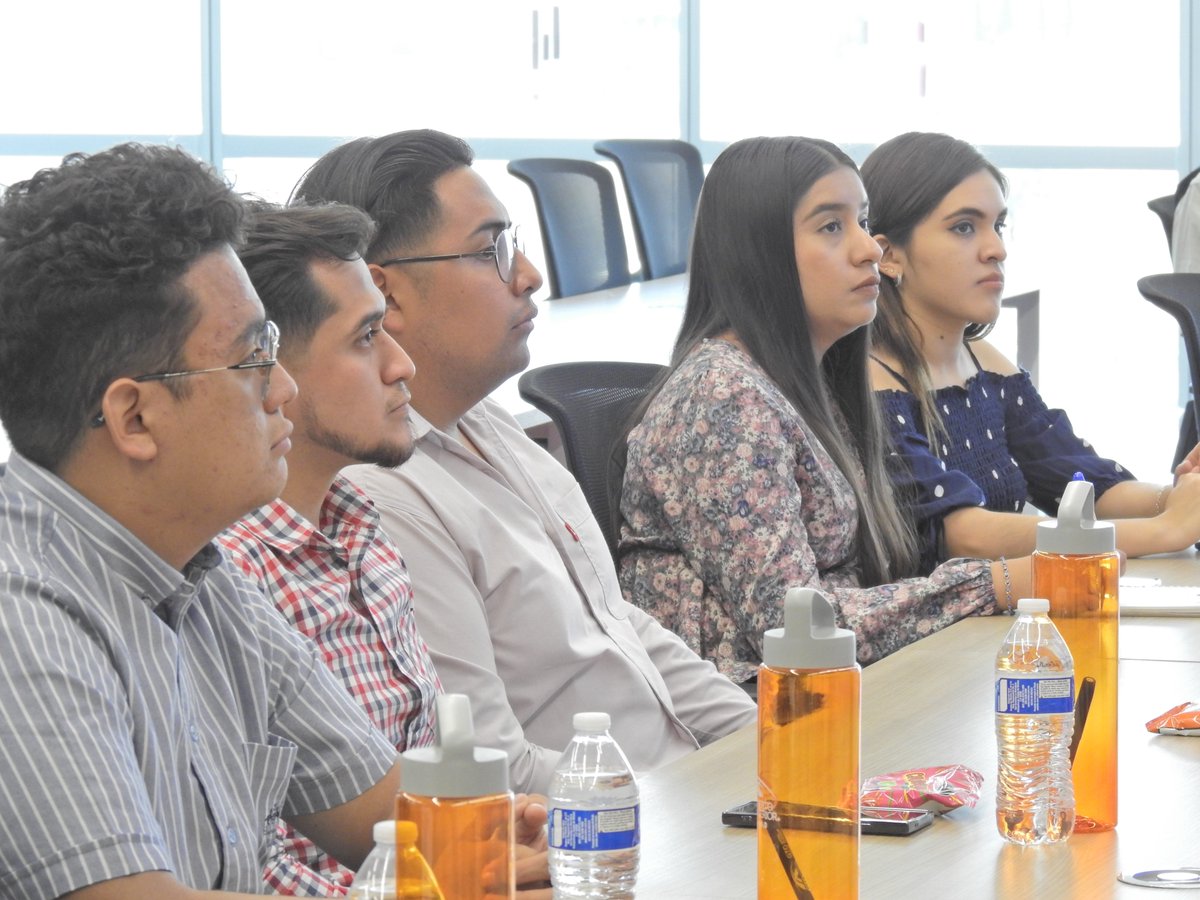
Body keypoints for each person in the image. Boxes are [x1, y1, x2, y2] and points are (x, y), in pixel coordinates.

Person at [291, 129, 757, 795]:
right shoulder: (378, 493)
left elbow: (617, 623)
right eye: (492, 250)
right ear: (386, 295)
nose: (528, 276)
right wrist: (687, 800)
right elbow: (494, 769)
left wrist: (764, 744)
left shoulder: (490, 425)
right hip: (614, 835)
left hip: (681, 799)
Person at [0, 144, 402, 898]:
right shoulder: (20, 616)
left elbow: (400, 823)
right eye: (254, 357)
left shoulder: (200, 578)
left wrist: (536, 847)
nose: (284, 390)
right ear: (136, 417)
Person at [219, 201, 549, 896]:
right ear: (274, 371)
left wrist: (490, 840)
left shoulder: (361, 524)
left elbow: (416, 799)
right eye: (367, 338)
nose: (402, 366)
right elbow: (260, 869)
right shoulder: (231, 575)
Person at [617, 136, 1023, 684]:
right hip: (741, 733)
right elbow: (797, 624)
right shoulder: (723, 397)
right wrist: (997, 583)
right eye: (832, 227)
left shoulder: (803, 385)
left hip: (825, 699)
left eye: (862, 221)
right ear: (758, 251)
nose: (869, 249)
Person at [861, 131, 1200, 572]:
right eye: (964, 227)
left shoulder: (985, 361)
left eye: (997, 225)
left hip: (992, 624)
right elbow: (963, 534)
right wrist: (1165, 529)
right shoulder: (868, 378)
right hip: (930, 638)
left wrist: (1179, 495)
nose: (996, 249)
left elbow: (1078, 482)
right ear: (888, 255)